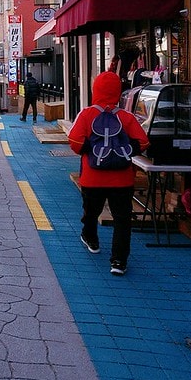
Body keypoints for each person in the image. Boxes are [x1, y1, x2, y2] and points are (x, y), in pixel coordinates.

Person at [67, 71, 150, 276]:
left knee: (91, 212)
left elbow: (75, 142)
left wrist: (91, 148)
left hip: (92, 178)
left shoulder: (87, 114)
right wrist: (123, 150)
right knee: (122, 219)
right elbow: (143, 142)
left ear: (95, 90)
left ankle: (91, 239)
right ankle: (119, 261)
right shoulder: (126, 117)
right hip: (121, 179)